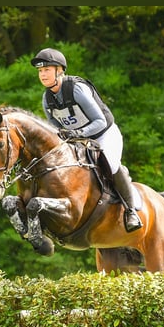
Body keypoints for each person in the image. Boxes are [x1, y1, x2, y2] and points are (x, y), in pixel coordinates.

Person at [30, 47, 142, 232]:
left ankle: (131, 211)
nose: (42, 74)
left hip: (104, 134)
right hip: (79, 142)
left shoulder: (76, 89)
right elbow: (55, 130)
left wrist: (77, 133)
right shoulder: (47, 98)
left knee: (110, 164)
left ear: (60, 70)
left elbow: (100, 121)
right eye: (40, 71)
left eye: (47, 70)